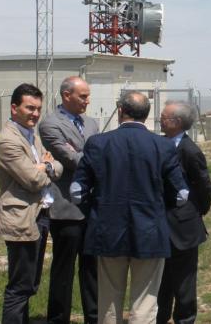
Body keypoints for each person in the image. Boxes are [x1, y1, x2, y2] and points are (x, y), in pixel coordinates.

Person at [71, 91, 189, 324]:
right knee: (145, 302)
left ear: (120, 111)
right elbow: (182, 194)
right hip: (150, 232)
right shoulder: (163, 146)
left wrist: (94, 209)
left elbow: (76, 191)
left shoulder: (98, 143)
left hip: (107, 230)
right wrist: (158, 209)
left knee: (109, 300)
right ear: (146, 115)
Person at [0, 84, 63, 324]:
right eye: (29, 108)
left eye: (38, 109)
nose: (35, 113)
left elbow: (57, 166)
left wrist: (46, 165)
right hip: (21, 217)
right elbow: (33, 179)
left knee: (30, 283)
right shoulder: (7, 141)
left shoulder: (31, 136)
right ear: (14, 108)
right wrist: (44, 167)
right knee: (20, 285)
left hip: (39, 214)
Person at [38, 76, 99, 324]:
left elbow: (87, 155)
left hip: (92, 205)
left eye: (88, 95)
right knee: (63, 269)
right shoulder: (50, 125)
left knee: (92, 268)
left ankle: (94, 317)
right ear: (66, 95)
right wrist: (90, 155)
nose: (87, 100)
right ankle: (58, 318)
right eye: (82, 96)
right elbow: (72, 160)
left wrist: (80, 151)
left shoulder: (92, 123)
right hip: (66, 208)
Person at [156, 101, 211, 324]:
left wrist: (195, 211)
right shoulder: (160, 144)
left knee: (184, 281)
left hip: (183, 228)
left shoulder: (190, 151)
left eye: (164, 116)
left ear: (177, 122)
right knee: (161, 280)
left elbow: (205, 187)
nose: (160, 119)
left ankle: (185, 319)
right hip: (161, 224)